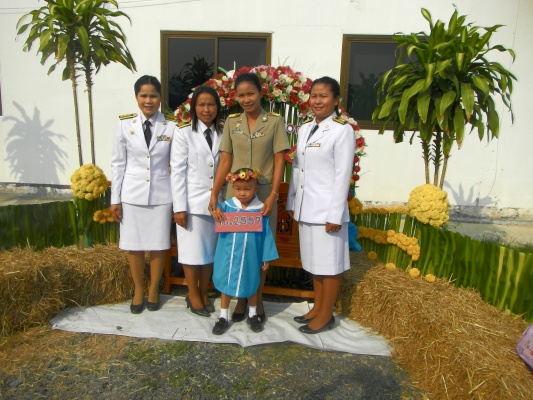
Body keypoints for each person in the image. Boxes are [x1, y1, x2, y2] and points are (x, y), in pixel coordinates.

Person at [209, 72, 289, 326]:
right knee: (235, 248)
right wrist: (214, 192)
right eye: (241, 95)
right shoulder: (232, 123)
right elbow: (226, 159)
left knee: (257, 250)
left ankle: (257, 298)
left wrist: (273, 195)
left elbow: (279, 160)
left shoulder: (274, 121)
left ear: (261, 93)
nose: (246, 99)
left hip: (263, 195)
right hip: (235, 195)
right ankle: (240, 299)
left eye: (250, 93)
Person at [286, 76, 355, 333]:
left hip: (327, 211)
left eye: (323, 96)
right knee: (315, 263)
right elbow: (297, 167)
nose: (317, 101)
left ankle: (326, 315)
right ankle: (317, 307)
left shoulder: (342, 130)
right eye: (314, 95)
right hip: (307, 208)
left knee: (330, 265)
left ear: (336, 100)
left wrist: (335, 214)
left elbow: (342, 174)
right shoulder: (306, 128)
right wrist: (292, 200)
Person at [110, 75, 174, 314]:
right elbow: (118, 164)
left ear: (160, 98)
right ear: (136, 97)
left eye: (153, 96)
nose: (149, 100)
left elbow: (177, 165)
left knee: (159, 244)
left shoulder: (171, 125)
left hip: (161, 195)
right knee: (134, 245)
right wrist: (115, 199)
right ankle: (138, 289)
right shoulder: (124, 124)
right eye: (144, 96)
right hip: (132, 195)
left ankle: (153, 288)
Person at [171, 86, 223, 317]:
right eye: (201, 104)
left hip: (217, 205)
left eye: (211, 104)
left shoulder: (224, 132)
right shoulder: (183, 133)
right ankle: (192, 295)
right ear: (194, 108)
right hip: (191, 204)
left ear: (217, 107)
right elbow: (177, 172)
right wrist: (179, 207)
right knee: (192, 254)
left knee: (210, 253)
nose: (206, 109)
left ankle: (203, 293)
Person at [211, 168, 279, 335]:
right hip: (229, 254)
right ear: (233, 188)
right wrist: (216, 210)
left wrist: (266, 257)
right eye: (238, 189)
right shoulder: (227, 206)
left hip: (251, 255)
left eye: (247, 189)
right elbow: (216, 210)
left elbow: (266, 234)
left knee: (252, 282)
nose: (242, 193)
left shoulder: (260, 209)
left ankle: (253, 314)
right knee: (226, 283)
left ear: (255, 189)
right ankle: (223, 316)